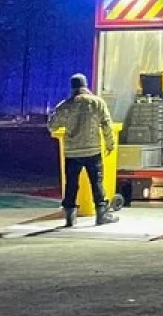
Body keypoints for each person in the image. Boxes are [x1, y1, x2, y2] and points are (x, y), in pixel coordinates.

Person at [48, 73, 120, 227]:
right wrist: (110, 144)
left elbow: (52, 125)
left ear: (72, 88)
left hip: (71, 152)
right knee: (97, 183)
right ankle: (102, 214)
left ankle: (69, 218)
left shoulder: (65, 105)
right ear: (85, 86)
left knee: (71, 184)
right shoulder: (97, 103)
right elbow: (107, 124)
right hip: (92, 150)